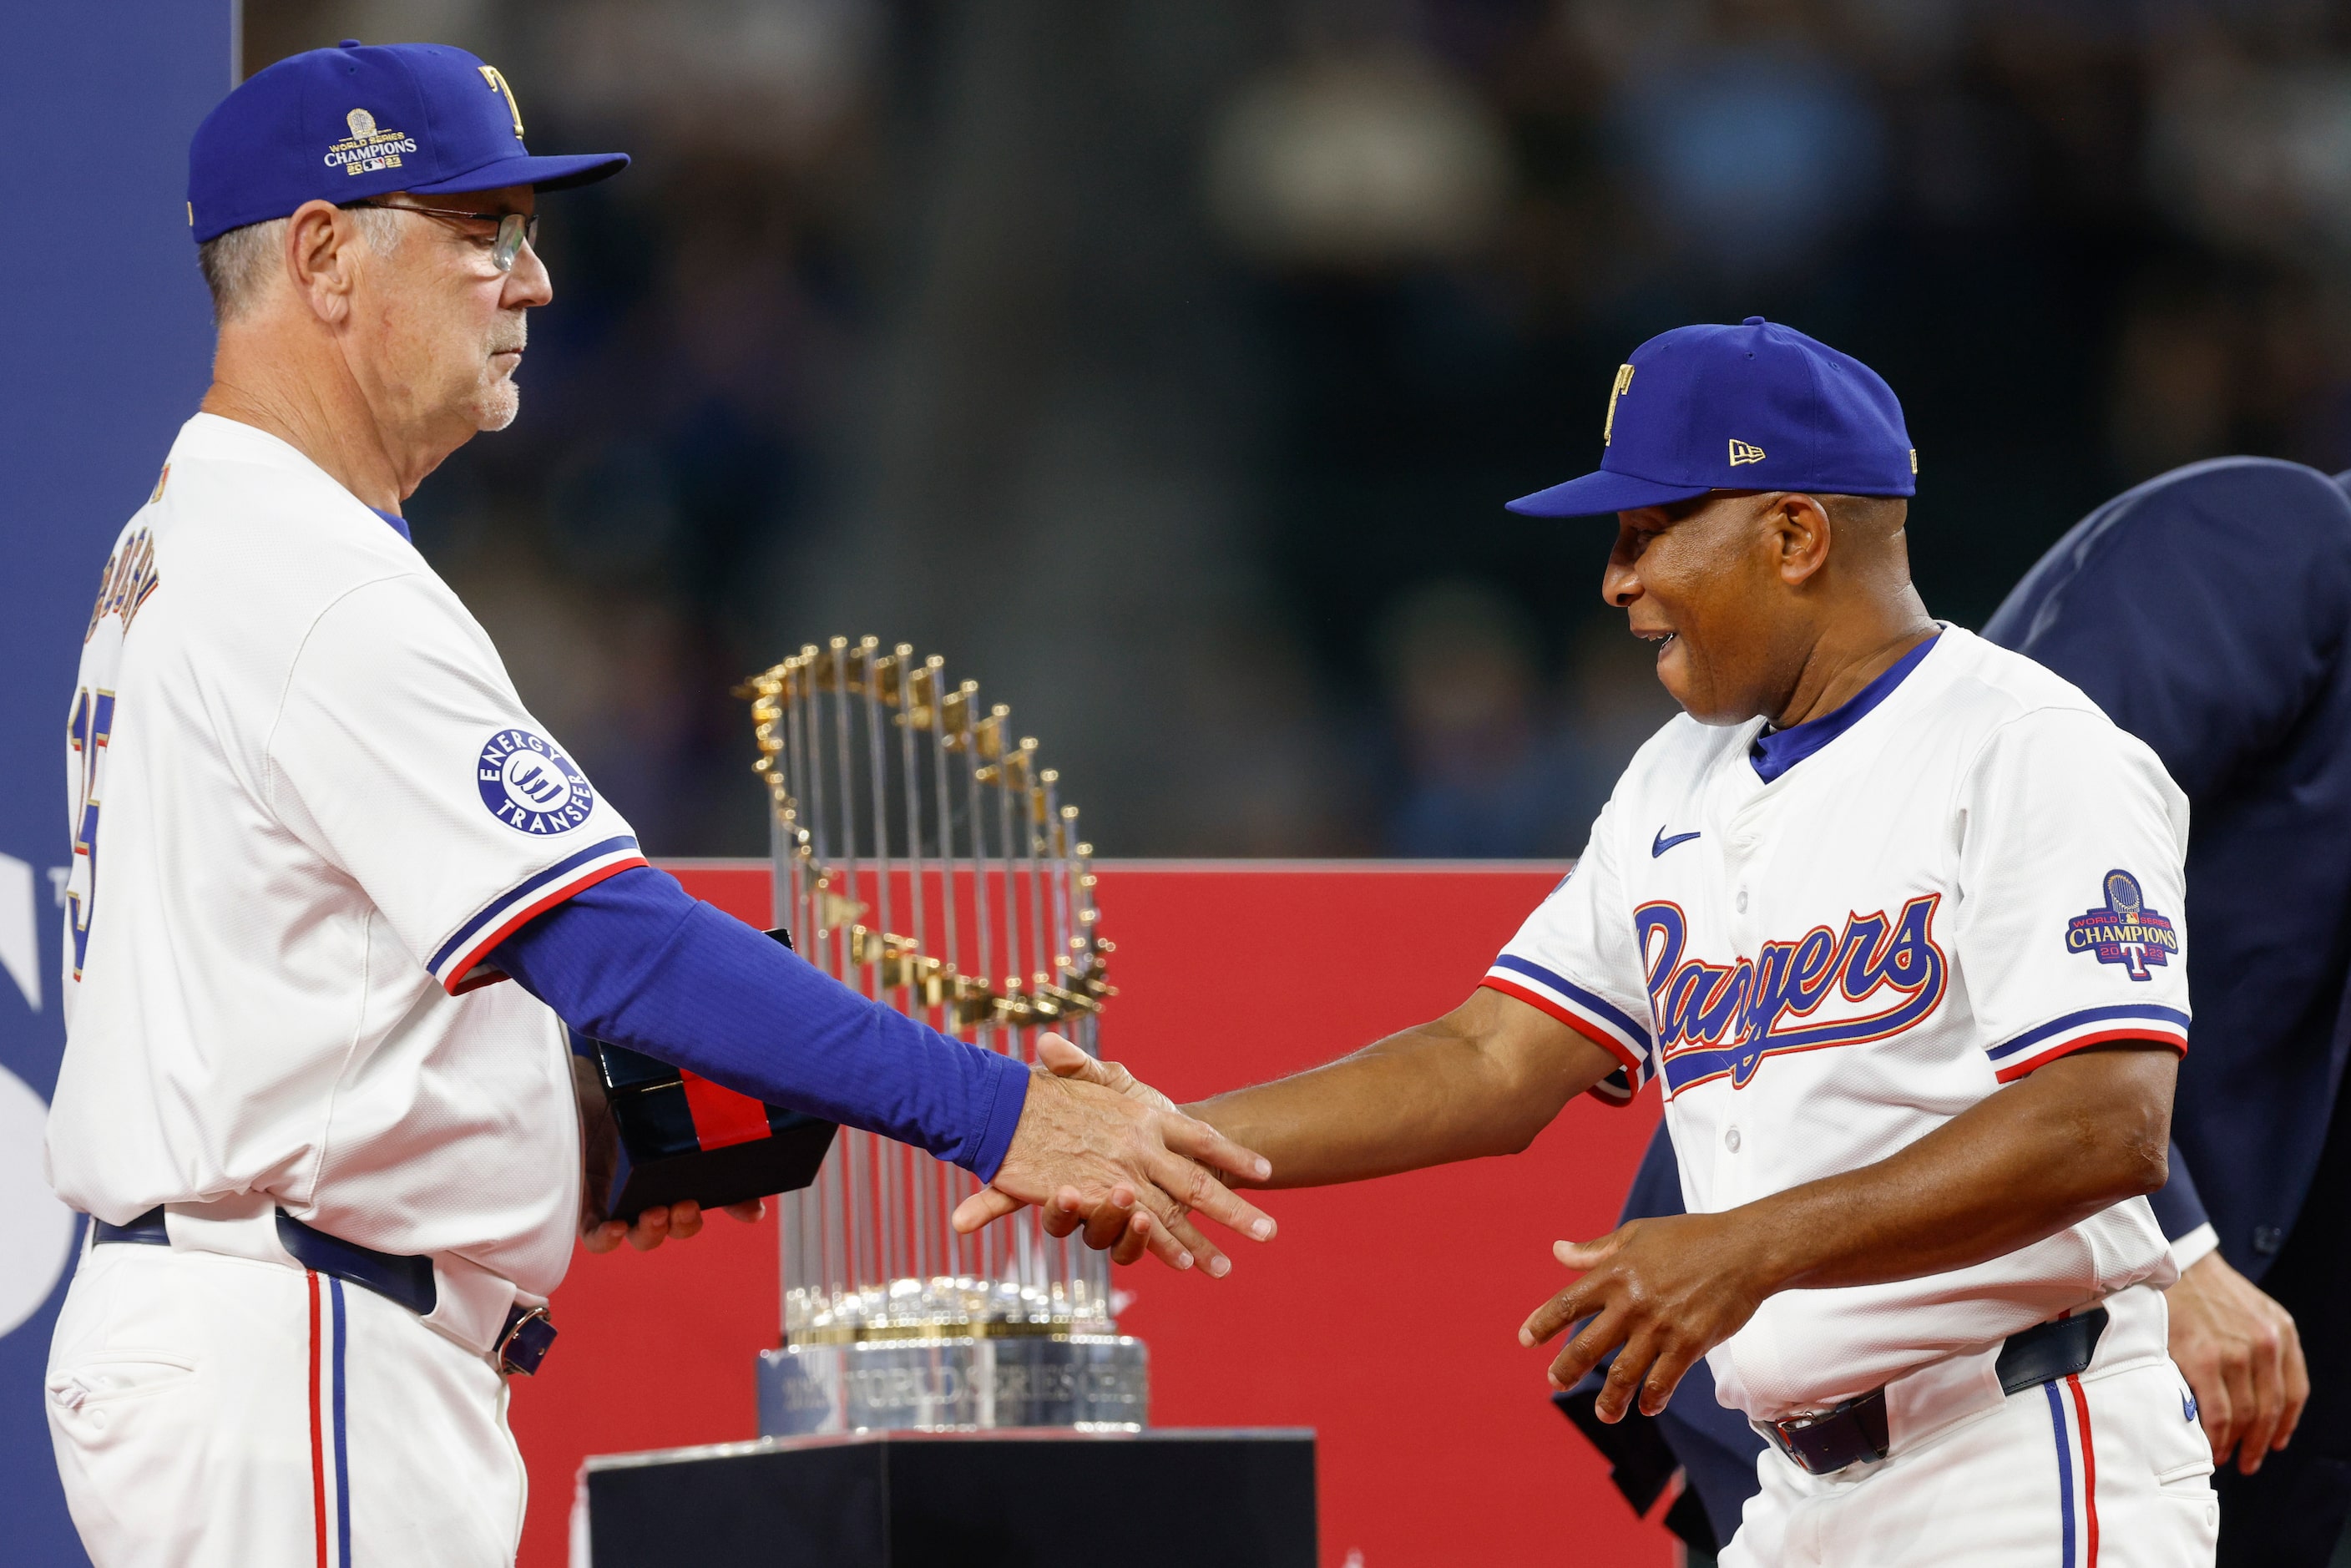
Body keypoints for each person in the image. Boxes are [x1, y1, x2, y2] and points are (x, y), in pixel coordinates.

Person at [42, 42, 1272, 1568]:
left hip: (270, 1327)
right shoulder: (305, 576)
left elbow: (315, 987)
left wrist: (578, 1141)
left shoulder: (203, 533)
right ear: (321, 256)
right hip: (293, 1342)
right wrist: (998, 1110)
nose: (533, 282)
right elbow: (615, 944)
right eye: (480, 230)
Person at [973, 318, 2221, 1563]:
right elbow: (1486, 1060)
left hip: (2018, 1450)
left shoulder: (2025, 748)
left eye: (1647, 532)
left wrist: (1747, 1245)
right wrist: (1162, 1137)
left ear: (1793, 535)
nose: (1617, 581)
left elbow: (2104, 1124)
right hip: (1802, 1497)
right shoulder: (1677, 776)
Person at [1982, 456, 2351, 1565]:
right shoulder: (2272, 536)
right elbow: (1980, 874)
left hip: (2239, 1404)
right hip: (1952, 1345)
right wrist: (2167, 1258)